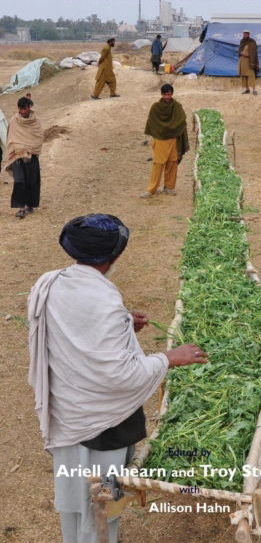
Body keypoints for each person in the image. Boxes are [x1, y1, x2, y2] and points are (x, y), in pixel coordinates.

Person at [28, 213, 207, 543]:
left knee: (79, 503)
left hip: (70, 411)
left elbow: (78, 329)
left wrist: (123, 323)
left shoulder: (51, 282)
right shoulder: (104, 299)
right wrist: (169, 357)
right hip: (103, 424)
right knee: (101, 502)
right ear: (116, 256)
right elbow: (119, 377)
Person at [141, 84, 189, 198]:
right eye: (165, 94)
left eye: (169, 94)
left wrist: (173, 131)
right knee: (158, 164)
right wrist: (163, 130)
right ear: (161, 94)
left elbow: (182, 121)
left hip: (173, 140)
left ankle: (169, 187)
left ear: (172, 94)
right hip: (160, 140)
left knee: (172, 163)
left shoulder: (177, 106)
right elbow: (152, 123)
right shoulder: (155, 107)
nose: (168, 96)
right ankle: (151, 189)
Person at [3, 96, 43, 218]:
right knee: (20, 181)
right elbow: (11, 139)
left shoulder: (35, 121)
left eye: (25, 109)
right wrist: (20, 148)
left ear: (29, 107)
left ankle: (30, 205)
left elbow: (38, 138)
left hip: (32, 156)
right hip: (17, 157)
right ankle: (21, 208)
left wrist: (29, 149)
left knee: (33, 180)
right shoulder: (14, 121)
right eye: (21, 109)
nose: (23, 111)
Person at [238, 30, 259, 95]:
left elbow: (254, 52)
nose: (245, 35)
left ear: (248, 34)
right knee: (244, 75)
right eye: (244, 34)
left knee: (251, 74)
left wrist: (248, 55)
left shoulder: (252, 42)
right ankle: (247, 89)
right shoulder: (242, 41)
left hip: (250, 61)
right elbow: (239, 50)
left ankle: (254, 89)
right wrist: (241, 52)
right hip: (242, 61)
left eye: (246, 34)